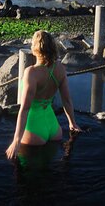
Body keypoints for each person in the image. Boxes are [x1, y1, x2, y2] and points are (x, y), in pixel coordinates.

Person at [5, 30, 81, 160]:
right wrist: (72, 123)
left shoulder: (31, 73)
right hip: (54, 127)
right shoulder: (60, 68)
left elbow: (25, 109)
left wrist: (16, 141)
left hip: (34, 128)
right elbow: (67, 100)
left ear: (35, 48)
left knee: (29, 175)